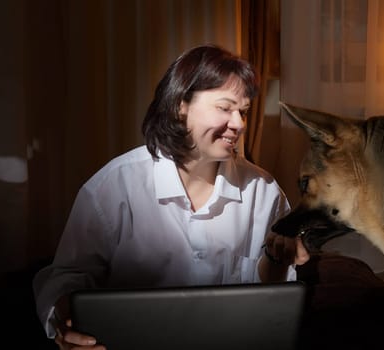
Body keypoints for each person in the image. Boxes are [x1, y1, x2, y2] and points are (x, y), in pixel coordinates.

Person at [33, 44, 310, 349]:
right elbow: (68, 275)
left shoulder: (264, 190)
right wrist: (63, 317)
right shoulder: (114, 186)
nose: (240, 124)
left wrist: (275, 256)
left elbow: (276, 296)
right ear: (181, 105)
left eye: (243, 111)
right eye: (225, 107)